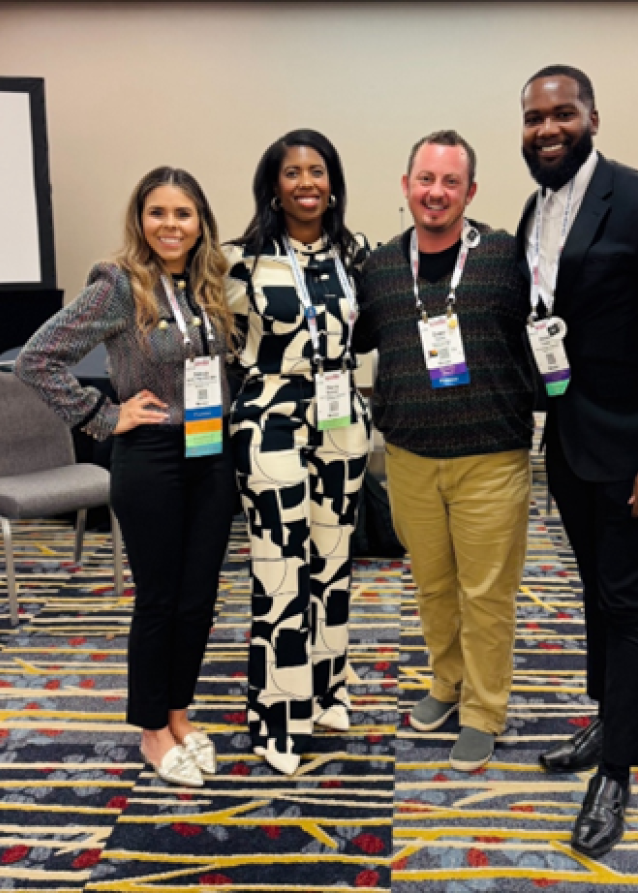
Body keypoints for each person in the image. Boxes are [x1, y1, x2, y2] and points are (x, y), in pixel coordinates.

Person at [518, 65, 638, 858]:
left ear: (593, 117)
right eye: (534, 118)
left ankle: (618, 773)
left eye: (562, 114)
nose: (547, 129)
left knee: (633, 603)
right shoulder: (537, 206)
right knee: (600, 594)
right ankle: (609, 716)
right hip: (571, 444)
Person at [15, 167, 237, 788]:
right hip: (151, 459)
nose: (171, 225)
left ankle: (179, 714)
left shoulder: (207, 283)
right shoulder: (118, 285)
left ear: (201, 223)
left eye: (184, 214)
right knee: (159, 600)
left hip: (210, 452)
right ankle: (150, 731)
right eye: (158, 213)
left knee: (198, 599)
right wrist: (102, 415)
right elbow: (37, 358)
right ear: (141, 220)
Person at [355, 130, 534, 772]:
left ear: (470, 191)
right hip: (408, 457)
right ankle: (446, 681)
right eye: (425, 180)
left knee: (485, 592)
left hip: (491, 457)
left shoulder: (507, 259)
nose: (436, 193)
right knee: (432, 585)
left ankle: (484, 709)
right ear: (406, 187)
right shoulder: (377, 268)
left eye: (450, 182)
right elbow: (354, 341)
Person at [224, 129, 370, 776]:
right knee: (280, 566)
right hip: (270, 416)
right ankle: (275, 714)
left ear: (332, 181)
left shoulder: (353, 251)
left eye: (317, 170)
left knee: (333, 558)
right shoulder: (241, 259)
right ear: (273, 185)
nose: (306, 182)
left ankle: (329, 685)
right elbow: (214, 341)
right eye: (292, 172)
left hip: (340, 414)